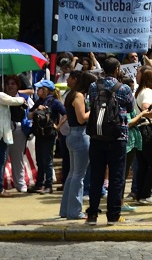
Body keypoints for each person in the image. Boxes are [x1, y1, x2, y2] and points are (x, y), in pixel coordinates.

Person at [86, 57, 134, 226]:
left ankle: (92, 214)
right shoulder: (124, 88)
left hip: (97, 136)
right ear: (117, 69)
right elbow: (130, 107)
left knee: (96, 176)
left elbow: (90, 104)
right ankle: (113, 215)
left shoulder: (93, 86)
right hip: (118, 137)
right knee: (116, 177)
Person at [59, 71, 94, 220]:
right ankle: (75, 211)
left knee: (73, 174)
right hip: (80, 134)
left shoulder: (71, 95)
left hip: (72, 135)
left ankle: (66, 210)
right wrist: (95, 109)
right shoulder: (78, 96)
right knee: (78, 175)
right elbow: (81, 118)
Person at [29, 79, 66, 194]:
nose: (37, 91)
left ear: (45, 90)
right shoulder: (39, 102)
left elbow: (65, 114)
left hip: (49, 134)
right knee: (39, 160)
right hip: (39, 133)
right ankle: (39, 183)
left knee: (47, 160)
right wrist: (36, 110)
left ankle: (48, 185)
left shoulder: (55, 102)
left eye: (39, 89)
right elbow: (29, 115)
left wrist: (58, 126)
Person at [132, 67, 152, 203]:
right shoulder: (148, 92)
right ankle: (146, 193)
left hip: (139, 129)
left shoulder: (139, 92)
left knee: (143, 164)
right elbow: (145, 107)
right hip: (148, 129)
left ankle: (140, 193)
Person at [3, 76, 31, 193]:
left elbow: (30, 113)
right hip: (4, 130)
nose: (10, 86)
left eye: (13, 83)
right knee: (2, 158)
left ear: (18, 86)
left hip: (19, 130)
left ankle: (20, 184)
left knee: (18, 158)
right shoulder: (2, 97)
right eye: (8, 84)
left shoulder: (25, 97)